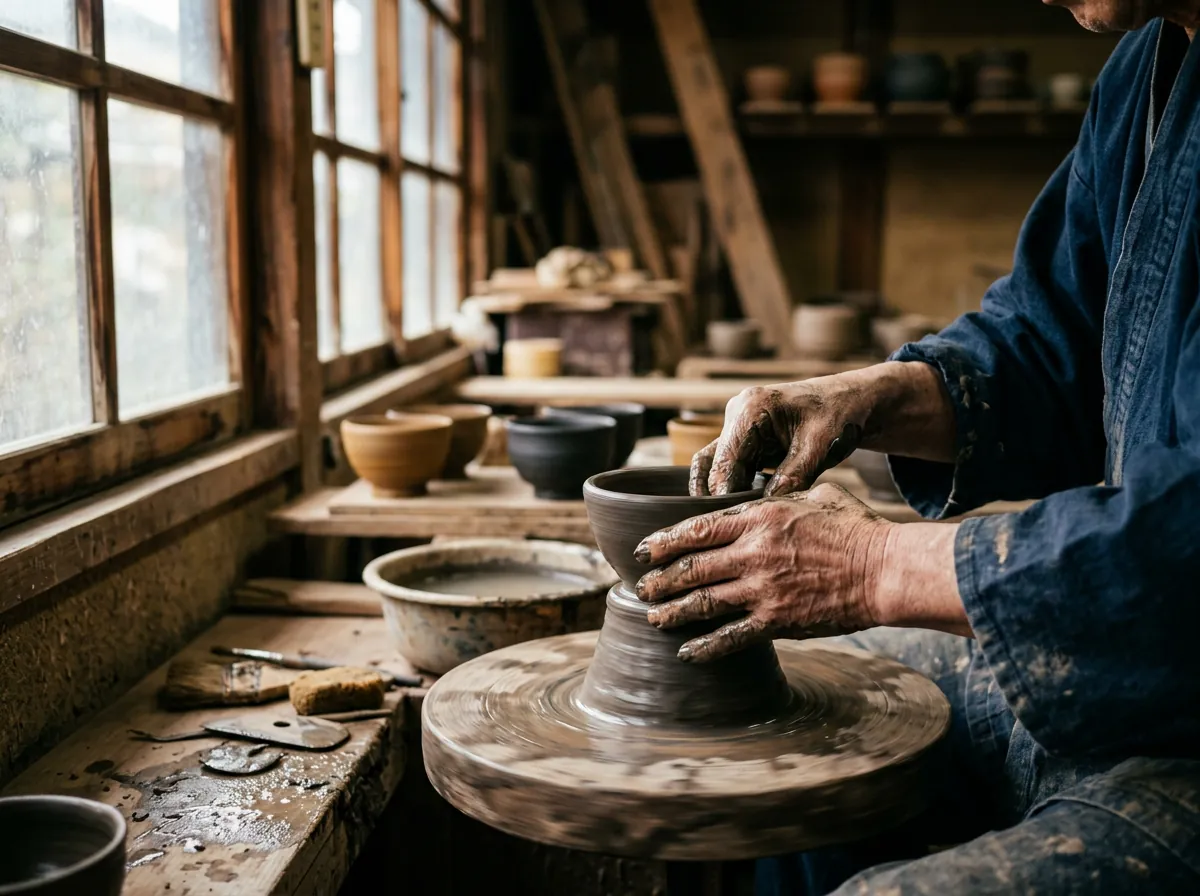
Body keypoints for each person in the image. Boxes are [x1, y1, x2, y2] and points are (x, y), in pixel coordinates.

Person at [632, 2, 1200, 892]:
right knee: (797, 726)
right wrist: (872, 396)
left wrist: (873, 567)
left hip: (1181, 710)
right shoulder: (1144, 70)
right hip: (1136, 670)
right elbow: (1051, 346)